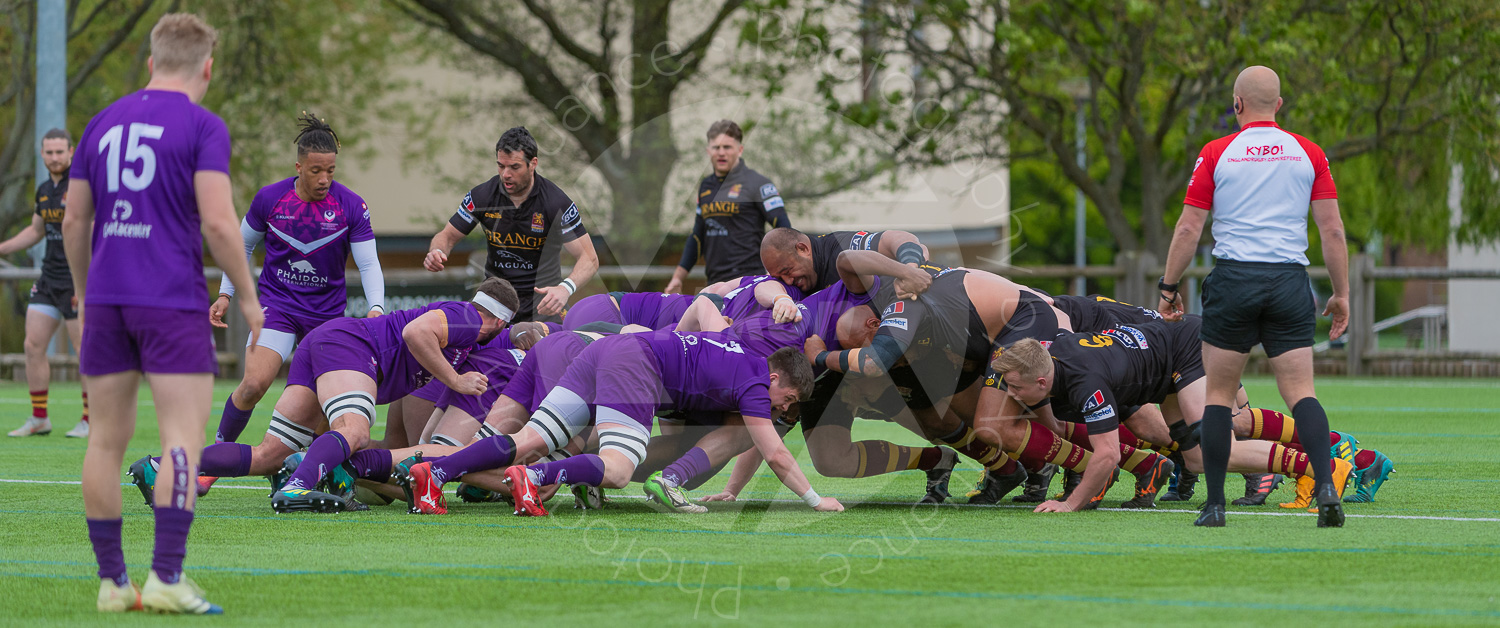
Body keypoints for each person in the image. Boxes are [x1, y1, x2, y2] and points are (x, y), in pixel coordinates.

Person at [64, 13, 263, 614]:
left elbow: (75, 220)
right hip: (171, 300)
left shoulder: (100, 123)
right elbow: (221, 223)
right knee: (182, 439)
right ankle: (167, 578)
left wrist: (83, 292)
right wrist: (250, 300)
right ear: (207, 67)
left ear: (150, 64)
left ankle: (111, 583)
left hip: (106, 300)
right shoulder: (203, 126)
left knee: (103, 440)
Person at [1158, 65, 1350, 528]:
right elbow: (1332, 229)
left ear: (1236, 104)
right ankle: (1325, 486)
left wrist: (1168, 286)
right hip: (1288, 282)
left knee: (1219, 397)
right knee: (1301, 392)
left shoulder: (1217, 152)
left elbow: (1188, 227)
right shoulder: (1309, 152)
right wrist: (1341, 294)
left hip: (1234, 281)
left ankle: (1216, 506)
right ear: (1279, 105)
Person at [988, 323, 1353, 515]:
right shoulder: (1047, 354)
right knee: (1196, 459)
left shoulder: (1087, 384)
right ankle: (1315, 468)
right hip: (1167, 368)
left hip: (1186, 351)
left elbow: (1107, 456)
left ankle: (1324, 469)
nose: (1011, 395)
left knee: (1220, 450)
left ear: (1041, 381)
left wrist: (1070, 504)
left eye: (1016, 388)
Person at [207, 113, 385, 450]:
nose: (324, 179)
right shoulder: (270, 200)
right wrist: (225, 294)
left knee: (325, 402)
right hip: (279, 307)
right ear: (299, 166)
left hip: (328, 316)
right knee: (253, 384)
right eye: (316, 170)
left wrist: (376, 306)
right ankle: (217, 456)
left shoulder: (351, 206)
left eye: (330, 171)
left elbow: (368, 262)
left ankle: (303, 467)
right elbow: (240, 245)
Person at [424, 127, 598, 322]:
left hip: (543, 304)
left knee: (549, 347)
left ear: (533, 164)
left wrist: (565, 288)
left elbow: (589, 258)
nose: (505, 174)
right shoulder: (482, 196)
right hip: (495, 302)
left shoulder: (555, 203)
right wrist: (436, 251)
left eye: (514, 167)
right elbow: (447, 236)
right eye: (500, 166)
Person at [4, 128, 89, 438]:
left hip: (78, 280)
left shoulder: (82, 186)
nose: (54, 157)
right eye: (48, 152)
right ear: (42, 154)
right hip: (49, 277)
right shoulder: (43, 190)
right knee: (32, 345)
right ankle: (40, 418)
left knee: (85, 350)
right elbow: (36, 231)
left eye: (59, 152)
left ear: (71, 152)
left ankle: (90, 420)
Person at [666, 120, 791, 292]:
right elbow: (697, 236)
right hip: (715, 283)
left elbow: (784, 229)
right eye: (716, 147)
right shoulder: (705, 187)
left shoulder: (758, 184)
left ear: (740, 150)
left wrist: (779, 273)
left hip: (750, 282)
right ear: (708, 151)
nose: (721, 153)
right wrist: (677, 278)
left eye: (727, 147)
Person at [759, 227, 929, 294]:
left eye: (787, 271)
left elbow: (898, 237)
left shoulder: (840, 246)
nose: (788, 281)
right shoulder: (784, 283)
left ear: (803, 249)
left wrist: (910, 269)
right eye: (780, 277)